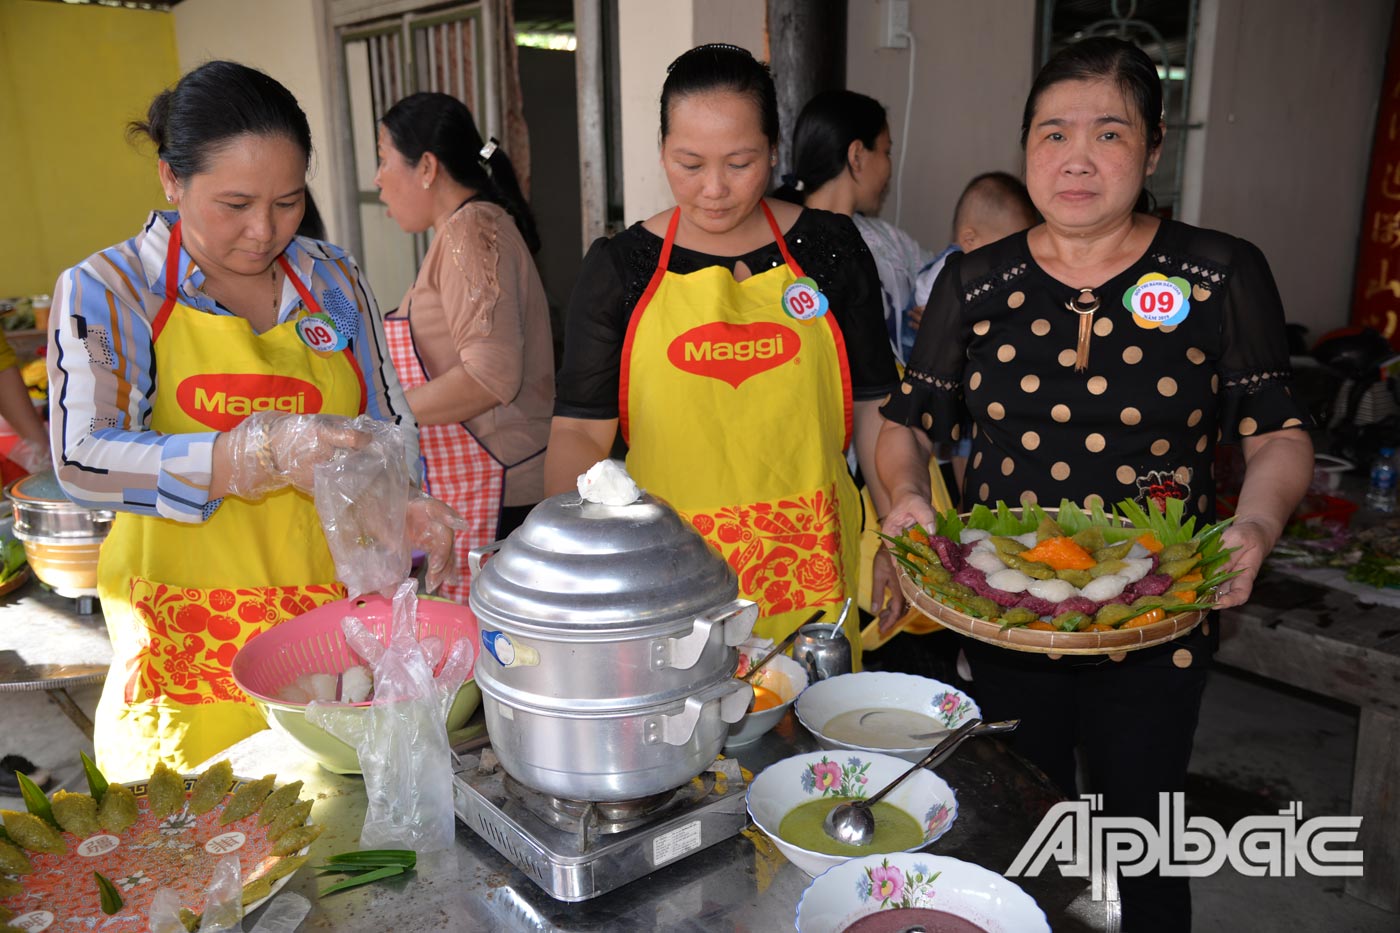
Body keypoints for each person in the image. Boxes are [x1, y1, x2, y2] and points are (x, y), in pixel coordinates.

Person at [873, 37, 1313, 931]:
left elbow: (1279, 436)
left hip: (1155, 620)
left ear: (1152, 151)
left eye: (1109, 133)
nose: (1077, 157)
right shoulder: (977, 280)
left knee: (1143, 839)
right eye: (1053, 133)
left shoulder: (1217, 272)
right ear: (1026, 146)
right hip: (1005, 615)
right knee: (1019, 834)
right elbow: (907, 426)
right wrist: (904, 498)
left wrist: (1257, 526)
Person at [49, 61, 461, 780]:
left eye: (288, 201)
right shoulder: (111, 289)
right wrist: (250, 455)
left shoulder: (332, 279)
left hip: (326, 647)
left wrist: (407, 499)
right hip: (191, 654)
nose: (263, 230)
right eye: (234, 203)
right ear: (171, 181)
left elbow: (387, 419)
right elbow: (83, 458)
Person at [545, 44, 900, 654]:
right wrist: (573, 563)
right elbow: (580, 432)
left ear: (773, 152)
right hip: (668, 582)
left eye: (740, 163)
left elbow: (875, 407)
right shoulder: (619, 270)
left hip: (813, 575)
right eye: (689, 163)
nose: (713, 189)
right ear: (661, 151)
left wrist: (897, 539)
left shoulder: (830, 249)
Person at [375, 92, 554, 603]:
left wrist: (387, 414)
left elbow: (490, 377)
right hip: (478, 484)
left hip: (503, 493)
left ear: (427, 166)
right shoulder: (462, 232)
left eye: (384, 158)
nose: (378, 178)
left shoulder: (470, 232)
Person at [773, 90, 931, 366]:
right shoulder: (780, 245)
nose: (889, 167)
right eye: (887, 151)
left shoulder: (889, 239)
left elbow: (943, 279)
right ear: (857, 155)